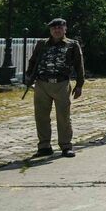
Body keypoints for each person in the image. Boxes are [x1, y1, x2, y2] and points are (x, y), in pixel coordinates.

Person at [24, 18, 85, 158]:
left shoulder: (72, 45)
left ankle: (66, 146)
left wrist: (79, 85)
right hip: (42, 84)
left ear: (65, 29)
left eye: (59, 27)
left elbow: (79, 65)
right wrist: (28, 77)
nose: (56, 30)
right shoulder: (42, 44)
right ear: (50, 30)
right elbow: (33, 61)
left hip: (61, 84)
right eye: (53, 28)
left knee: (63, 117)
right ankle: (44, 146)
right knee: (41, 116)